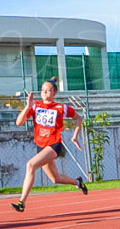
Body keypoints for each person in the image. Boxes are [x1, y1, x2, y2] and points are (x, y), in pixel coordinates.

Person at [10, 77, 87, 212]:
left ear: (54, 93)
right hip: (41, 146)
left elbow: (78, 118)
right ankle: (78, 182)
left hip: (54, 145)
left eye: (49, 90)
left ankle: (22, 202)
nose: (45, 93)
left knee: (30, 165)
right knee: (55, 179)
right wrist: (28, 106)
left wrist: (75, 136)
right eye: (43, 90)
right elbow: (19, 123)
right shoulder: (35, 106)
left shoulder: (61, 108)